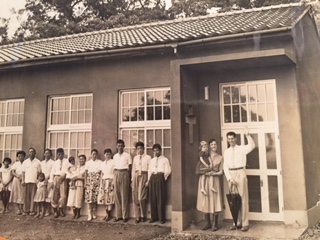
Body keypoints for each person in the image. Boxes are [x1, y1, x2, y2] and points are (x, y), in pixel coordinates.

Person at [223, 127, 255, 232]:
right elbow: (225, 166)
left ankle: (245, 223)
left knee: (243, 198)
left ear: (235, 139)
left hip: (240, 172)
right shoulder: (226, 152)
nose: (230, 140)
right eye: (229, 139)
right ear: (227, 139)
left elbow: (252, 146)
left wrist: (247, 135)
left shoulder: (241, 148)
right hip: (231, 175)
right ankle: (236, 222)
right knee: (233, 200)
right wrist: (229, 178)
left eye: (232, 138)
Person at [196, 139, 223, 231]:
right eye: (212, 144)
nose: (214, 146)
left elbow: (221, 171)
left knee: (215, 200)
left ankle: (215, 223)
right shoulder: (205, 154)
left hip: (214, 180)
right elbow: (200, 165)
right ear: (209, 146)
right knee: (205, 200)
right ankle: (207, 222)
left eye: (215, 144)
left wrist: (213, 173)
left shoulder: (220, 157)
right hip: (204, 179)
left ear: (217, 146)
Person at [147, 143, 171, 224]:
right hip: (153, 177)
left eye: (157, 150)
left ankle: (161, 218)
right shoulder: (152, 160)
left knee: (160, 198)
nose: (156, 152)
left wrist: (163, 177)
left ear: (160, 150)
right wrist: (148, 180)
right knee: (152, 198)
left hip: (160, 177)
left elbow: (168, 170)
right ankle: (154, 217)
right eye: (154, 151)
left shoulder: (165, 159)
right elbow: (149, 171)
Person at [113, 139, 132, 223]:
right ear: (117, 146)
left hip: (124, 173)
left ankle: (125, 216)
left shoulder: (127, 155)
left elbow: (130, 167)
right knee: (117, 195)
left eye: (121, 145)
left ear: (124, 146)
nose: (120, 147)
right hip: (116, 173)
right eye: (118, 145)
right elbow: (114, 167)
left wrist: (129, 178)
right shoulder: (115, 156)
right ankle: (118, 215)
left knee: (124, 195)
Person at [131, 142, 151, 223]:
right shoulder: (135, 158)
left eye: (141, 148)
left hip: (144, 175)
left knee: (141, 198)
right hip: (136, 176)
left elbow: (150, 169)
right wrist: (132, 180)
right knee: (135, 197)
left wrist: (148, 180)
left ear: (144, 149)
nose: (139, 150)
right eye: (138, 149)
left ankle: (143, 215)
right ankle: (137, 216)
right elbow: (133, 169)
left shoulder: (148, 157)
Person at [21, 148, 41, 216]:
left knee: (33, 197)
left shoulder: (38, 162)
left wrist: (37, 181)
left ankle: (32, 210)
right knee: (26, 197)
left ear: (35, 153)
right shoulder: (25, 162)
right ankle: (26, 210)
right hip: (27, 181)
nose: (31, 153)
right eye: (30, 152)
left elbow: (39, 173)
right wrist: (23, 180)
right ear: (28, 153)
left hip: (34, 181)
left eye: (32, 152)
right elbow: (23, 172)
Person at [50, 148, 69, 218]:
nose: (60, 155)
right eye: (59, 154)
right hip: (56, 177)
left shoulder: (67, 162)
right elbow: (52, 172)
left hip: (63, 178)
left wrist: (64, 174)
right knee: (55, 194)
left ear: (64, 154)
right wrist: (51, 181)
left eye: (62, 154)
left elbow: (69, 169)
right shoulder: (55, 163)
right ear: (57, 154)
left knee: (63, 195)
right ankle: (55, 210)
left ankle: (61, 209)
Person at [84, 149, 102, 221]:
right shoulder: (88, 163)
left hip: (97, 180)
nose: (94, 155)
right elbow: (86, 173)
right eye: (93, 154)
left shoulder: (100, 162)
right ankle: (89, 214)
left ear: (97, 155)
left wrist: (100, 181)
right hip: (89, 181)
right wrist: (85, 182)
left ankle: (94, 212)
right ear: (91, 155)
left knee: (95, 197)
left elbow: (100, 172)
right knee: (89, 197)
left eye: (95, 154)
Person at [67, 154, 86, 219]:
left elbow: (84, 178)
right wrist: (72, 177)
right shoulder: (76, 167)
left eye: (82, 159)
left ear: (85, 160)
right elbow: (69, 171)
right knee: (72, 198)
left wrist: (77, 178)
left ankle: (78, 213)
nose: (81, 160)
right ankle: (74, 213)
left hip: (80, 183)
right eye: (80, 159)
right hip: (73, 184)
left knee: (78, 198)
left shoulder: (85, 167)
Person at [97, 149, 114, 221]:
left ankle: (109, 214)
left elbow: (115, 172)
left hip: (110, 180)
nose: (107, 155)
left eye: (109, 154)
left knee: (110, 198)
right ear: (104, 155)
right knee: (104, 198)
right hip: (104, 181)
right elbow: (101, 173)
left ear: (111, 155)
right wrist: (101, 182)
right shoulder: (102, 163)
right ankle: (106, 213)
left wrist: (113, 181)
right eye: (106, 154)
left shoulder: (113, 162)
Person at [10, 151, 26, 215]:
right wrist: (17, 176)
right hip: (16, 179)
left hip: (23, 179)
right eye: (19, 156)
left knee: (22, 194)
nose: (20, 157)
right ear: (17, 157)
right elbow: (12, 172)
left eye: (22, 156)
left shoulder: (26, 163)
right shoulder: (16, 164)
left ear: (24, 156)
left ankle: (22, 209)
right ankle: (18, 209)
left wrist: (22, 178)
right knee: (16, 193)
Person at [40, 149, 54, 216]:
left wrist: (47, 178)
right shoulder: (41, 163)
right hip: (42, 181)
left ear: (50, 154)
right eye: (45, 153)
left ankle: (48, 211)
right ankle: (43, 210)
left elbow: (52, 172)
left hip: (49, 180)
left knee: (48, 196)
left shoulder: (52, 163)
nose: (47, 154)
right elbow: (40, 172)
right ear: (44, 154)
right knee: (42, 196)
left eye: (48, 153)